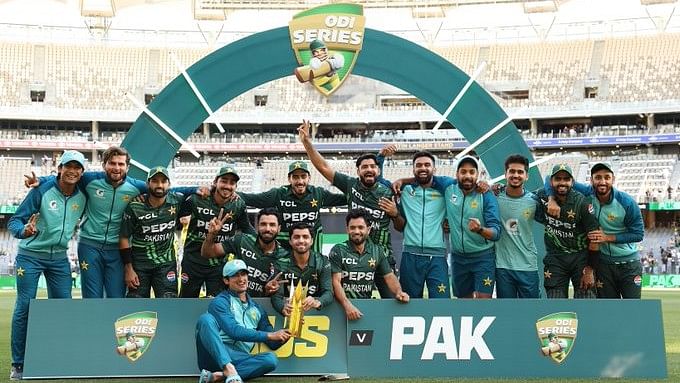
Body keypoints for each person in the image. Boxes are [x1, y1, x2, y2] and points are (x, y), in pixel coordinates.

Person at [24, 146, 202, 298]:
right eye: (112, 163)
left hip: (117, 249)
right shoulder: (90, 180)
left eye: (121, 164)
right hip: (89, 246)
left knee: (117, 298)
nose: (116, 168)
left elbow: (165, 189)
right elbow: (66, 176)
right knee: (92, 299)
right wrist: (41, 180)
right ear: (104, 165)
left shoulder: (137, 187)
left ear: (127, 167)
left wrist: (196, 189)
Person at [298, 120, 404, 299]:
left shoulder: (389, 191)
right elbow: (323, 167)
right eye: (364, 167)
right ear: (358, 171)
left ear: (378, 170)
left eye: (372, 166)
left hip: (382, 256)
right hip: (353, 258)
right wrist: (307, 142)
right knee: (350, 302)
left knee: (393, 302)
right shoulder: (350, 185)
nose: (369, 170)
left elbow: (401, 227)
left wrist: (395, 214)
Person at [7, 150, 87, 380]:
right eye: (67, 166)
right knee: (25, 306)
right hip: (30, 256)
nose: (72, 171)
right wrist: (24, 231)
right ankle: (19, 364)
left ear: (82, 172)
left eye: (77, 167)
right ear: (59, 169)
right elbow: (15, 220)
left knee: (64, 309)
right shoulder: (42, 190)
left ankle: (59, 358)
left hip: (60, 258)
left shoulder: (83, 192)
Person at [545, 162, 644, 298]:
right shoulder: (587, 192)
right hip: (603, 265)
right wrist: (551, 199)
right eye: (598, 177)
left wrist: (607, 237)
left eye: (607, 177)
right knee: (606, 311)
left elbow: (638, 234)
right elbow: (547, 178)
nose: (602, 181)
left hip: (629, 264)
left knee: (632, 310)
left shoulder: (626, 202)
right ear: (591, 180)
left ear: (613, 179)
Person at [195, 259, 291, 383]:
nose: (241, 279)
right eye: (235, 275)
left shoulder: (258, 309)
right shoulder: (220, 302)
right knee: (205, 319)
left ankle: (217, 376)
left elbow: (273, 344)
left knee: (271, 359)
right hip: (213, 355)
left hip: (239, 358)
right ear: (226, 280)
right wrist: (271, 335)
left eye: (243, 274)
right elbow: (233, 331)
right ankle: (228, 370)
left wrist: (290, 328)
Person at [430, 156, 501, 299]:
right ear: (457, 174)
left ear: (478, 175)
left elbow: (496, 233)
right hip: (458, 258)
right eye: (463, 172)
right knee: (463, 302)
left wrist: (480, 230)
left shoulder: (486, 195)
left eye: (472, 172)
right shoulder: (448, 186)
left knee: (483, 300)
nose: (467, 176)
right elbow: (423, 177)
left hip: (483, 257)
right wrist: (401, 181)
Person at [237, 161, 346, 253]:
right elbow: (253, 199)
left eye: (303, 176)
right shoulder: (278, 194)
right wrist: (231, 193)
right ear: (289, 179)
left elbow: (345, 199)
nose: (300, 181)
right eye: (295, 177)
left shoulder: (318, 193)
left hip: (312, 249)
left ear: (309, 178)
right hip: (285, 250)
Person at [179, 165, 255, 298]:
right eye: (224, 181)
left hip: (219, 265)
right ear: (215, 182)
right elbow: (174, 202)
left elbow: (247, 228)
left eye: (232, 183)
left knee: (217, 304)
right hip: (192, 262)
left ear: (236, 187)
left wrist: (263, 244)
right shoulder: (198, 199)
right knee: (186, 301)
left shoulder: (238, 205)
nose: (227, 186)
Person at [329, 210, 409, 320]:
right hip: (341, 308)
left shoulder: (377, 251)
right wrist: (347, 305)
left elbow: (389, 276)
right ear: (347, 229)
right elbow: (335, 282)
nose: (356, 231)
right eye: (352, 228)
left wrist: (398, 292)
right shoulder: (338, 250)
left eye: (361, 227)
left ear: (369, 229)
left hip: (366, 307)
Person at [535, 164, 599, 299]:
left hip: (581, 258)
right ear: (551, 182)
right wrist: (498, 188)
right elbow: (521, 195)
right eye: (558, 179)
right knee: (555, 301)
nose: (562, 183)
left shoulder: (583, 203)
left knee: (586, 300)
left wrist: (589, 270)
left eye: (566, 179)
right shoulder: (542, 195)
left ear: (572, 182)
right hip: (555, 258)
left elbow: (594, 239)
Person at [392, 151, 449, 298]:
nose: (423, 168)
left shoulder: (445, 191)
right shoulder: (404, 191)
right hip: (410, 255)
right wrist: (403, 181)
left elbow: (463, 185)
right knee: (408, 303)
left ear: (434, 169)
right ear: (413, 169)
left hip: (437, 256)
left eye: (427, 165)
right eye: (418, 165)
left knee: (441, 304)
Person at [119, 166, 183, 298]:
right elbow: (124, 238)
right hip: (139, 265)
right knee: (136, 304)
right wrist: (128, 269)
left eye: (163, 181)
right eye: (155, 181)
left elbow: (199, 195)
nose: (159, 185)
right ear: (148, 183)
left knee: (169, 302)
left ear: (169, 184)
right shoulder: (135, 205)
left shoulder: (177, 201)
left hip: (166, 264)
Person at [202, 208, 288, 297]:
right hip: (230, 301)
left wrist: (268, 291)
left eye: (272, 225)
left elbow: (276, 294)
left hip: (258, 306)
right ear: (257, 227)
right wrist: (212, 234)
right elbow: (207, 253)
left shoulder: (284, 256)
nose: (267, 229)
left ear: (279, 228)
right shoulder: (242, 240)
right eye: (263, 224)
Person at [494, 154, 540, 298]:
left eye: (520, 172)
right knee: (508, 313)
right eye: (512, 171)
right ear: (505, 174)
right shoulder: (494, 196)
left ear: (526, 176)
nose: (516, 175)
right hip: (503, 267)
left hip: (527, 266)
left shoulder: (534, 201)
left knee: (532, 313)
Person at [271, 223, 333, 316]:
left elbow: (328, 292)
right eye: (296, 237)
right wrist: (282, 307)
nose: (301, 240)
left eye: (305, 237)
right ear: (290, 241)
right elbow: (276, 296)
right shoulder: (281, 262)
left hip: (316, 317)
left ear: (311, 241)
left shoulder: (322, 261)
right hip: (289, 315)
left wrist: (317, 302)